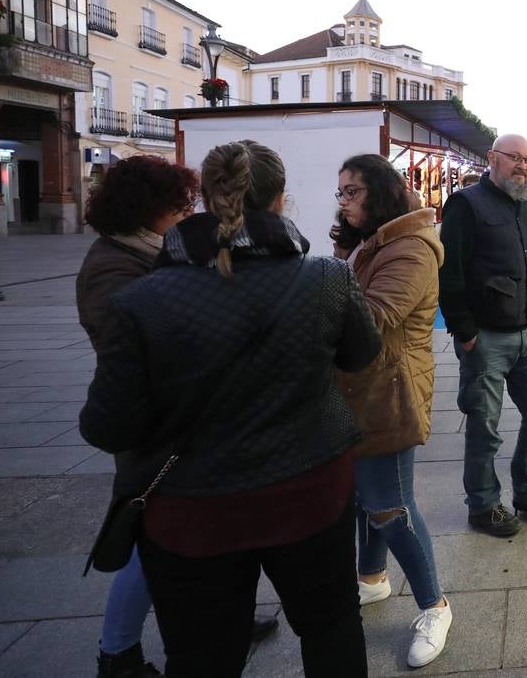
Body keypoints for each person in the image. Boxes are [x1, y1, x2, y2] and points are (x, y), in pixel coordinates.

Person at [79, 140, 382, 678]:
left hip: (193, 512)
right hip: (308, 492)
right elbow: (362, 356)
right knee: (331, 629)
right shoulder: (325, 278)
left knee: (201, 657)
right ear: (282, 200)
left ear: (205, 201)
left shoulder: (140, 299)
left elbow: (108, 425)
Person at [77, 156, 276, 678]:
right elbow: (144, 347)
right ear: (150, 210)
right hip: (156, 428)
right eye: (178, 207)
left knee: (193, 536)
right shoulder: (113, 267)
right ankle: (116, 651)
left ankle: (221, 617)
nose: (186, 216)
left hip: (186, 421)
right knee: (151, 542)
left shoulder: (147, 252)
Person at [331, 155, 452, 669]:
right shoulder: (374, 241)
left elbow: (376, 317)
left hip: (389, 388)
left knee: (391, 506)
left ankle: (435, 605)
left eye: (352, 192)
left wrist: (318, 291)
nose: (343, 201)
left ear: (380, 193)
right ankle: (372, 579)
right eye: (340, 192)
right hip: (363, 385)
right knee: (366, 497)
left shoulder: (410, 247)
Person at [439, 133, 527, 538]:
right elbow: (450, 273)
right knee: (485, 427)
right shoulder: (465, 205)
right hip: (487, 339)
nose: (523, 166)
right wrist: (465, 330)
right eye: (514, 158)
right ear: (492, 158)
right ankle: (483, 505)